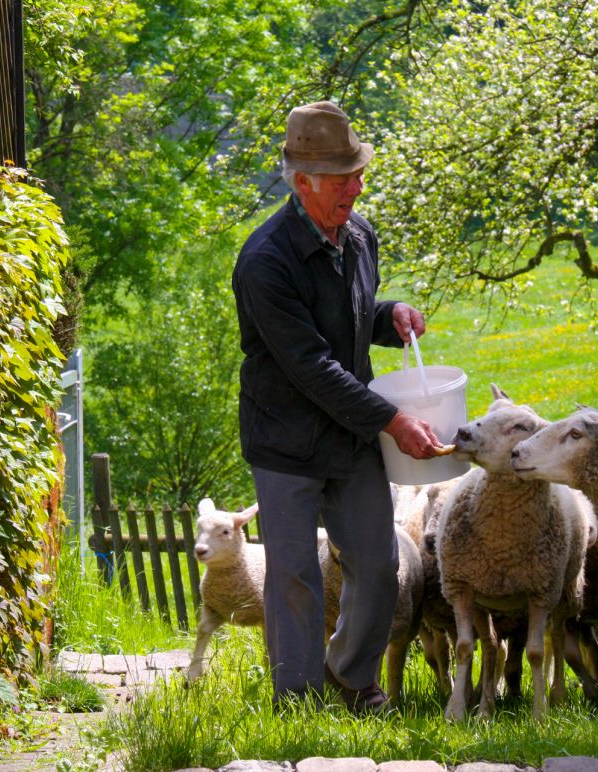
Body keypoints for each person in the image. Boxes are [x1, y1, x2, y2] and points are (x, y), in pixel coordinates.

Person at [232, 101, 443, 712]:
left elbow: (349, 320)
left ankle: (351, 680)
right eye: (342, 176)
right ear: (302, 183)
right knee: (295, 576)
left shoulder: (359, 235)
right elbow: (311, 365)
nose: (356, 185)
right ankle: (297, 703)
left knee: (379, 564)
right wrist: (393, 421)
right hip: (287, 441)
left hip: (349, 438)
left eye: (357, 172)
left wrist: (389, 316)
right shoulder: (265, 261)